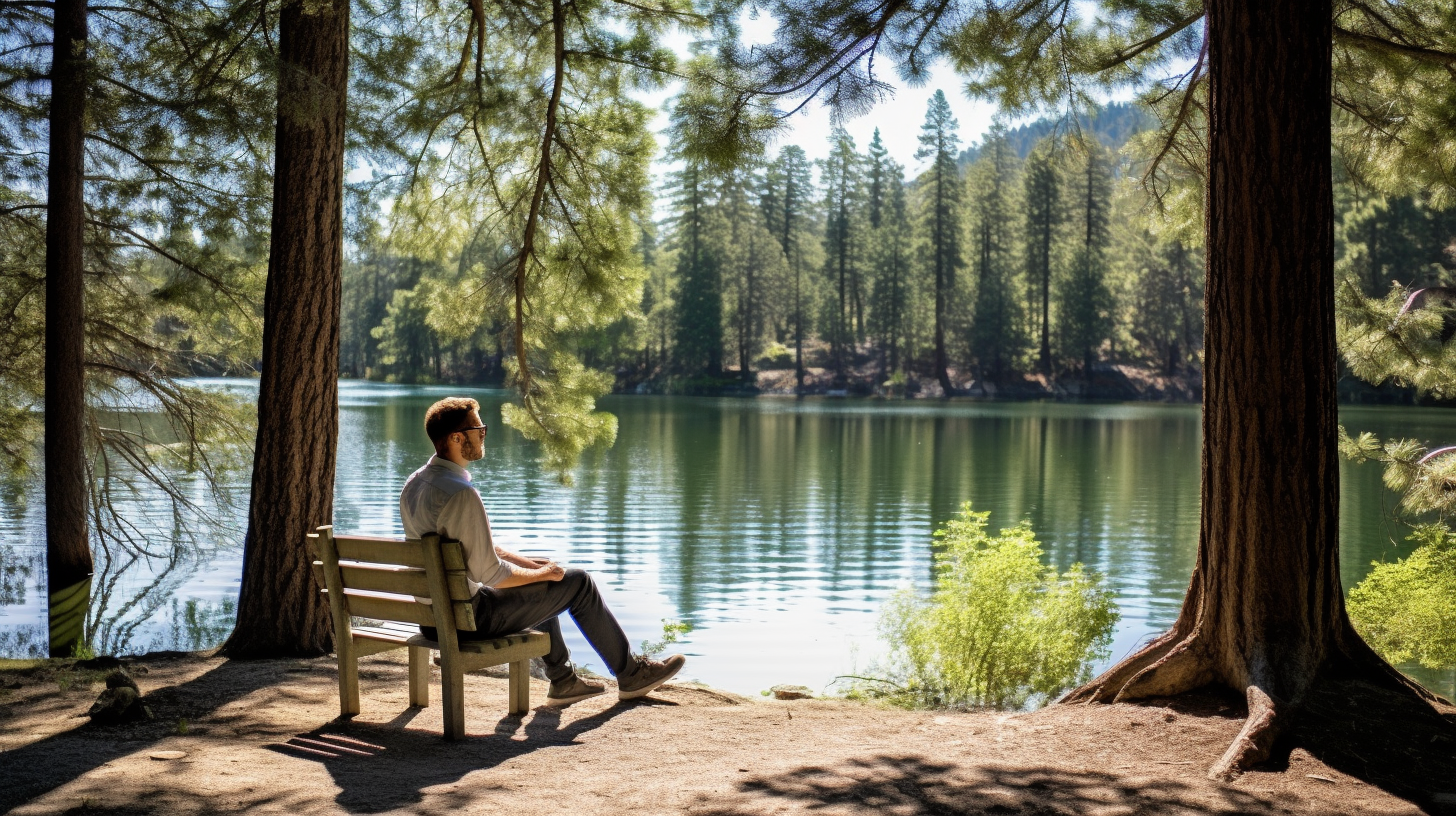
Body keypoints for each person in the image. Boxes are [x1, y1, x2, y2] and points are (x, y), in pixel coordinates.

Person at [399, 396, 685, 706]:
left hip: (432, 617)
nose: (484, 434)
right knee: (579, 583)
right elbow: (490, 574)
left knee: (538, 585)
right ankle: (631, 674)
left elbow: (464, 550)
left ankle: (563, 682)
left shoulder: (415, 484)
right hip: (469, 620)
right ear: (456, 438)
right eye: (478, 428)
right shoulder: (462, 495)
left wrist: (525, 564)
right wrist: (540, 573)